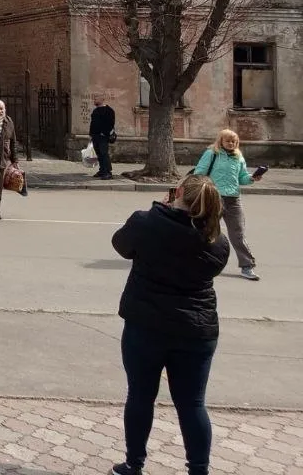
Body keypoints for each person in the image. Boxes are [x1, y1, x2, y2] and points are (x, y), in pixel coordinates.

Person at [110, 174, 230, 475]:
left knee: (140, 395)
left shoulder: (147, 221)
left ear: (176, 193)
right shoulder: (217, 242)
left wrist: (158, 210)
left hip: (146, 325)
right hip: (196, 330)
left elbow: (121, 244)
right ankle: (198, 470)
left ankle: (134, 464)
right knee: (192, 404)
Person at [193, 129, 262, 281]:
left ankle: (247, 266)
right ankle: (196, 261)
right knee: (207, 232)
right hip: (214, 198)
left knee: (238, 234)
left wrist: (252, 178)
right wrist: (205, 188)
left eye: (234, 141)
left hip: (233, 200)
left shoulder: (238, 157)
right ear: (221, 141)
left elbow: (242, 177)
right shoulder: (212, 154)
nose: (231, 144)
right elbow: (200, 172)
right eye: (228, 141)